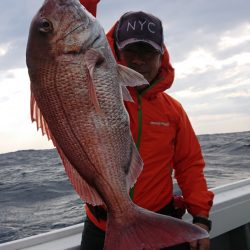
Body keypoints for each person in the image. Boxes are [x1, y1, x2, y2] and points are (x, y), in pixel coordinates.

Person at [79, 1, 214, 249]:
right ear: (116, 53)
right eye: (131, 52)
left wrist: (201, 218)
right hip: (103, 228)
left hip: (159, 223)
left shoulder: (173, 111)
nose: (139, 61)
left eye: (147, 53)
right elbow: (75, 33)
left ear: (161, 56)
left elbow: (189, 165)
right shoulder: (95, 92)